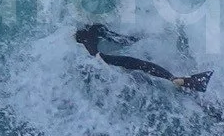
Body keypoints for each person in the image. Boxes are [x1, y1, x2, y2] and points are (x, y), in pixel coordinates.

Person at [74, 23, 210, 93]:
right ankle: (179, 80)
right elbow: (123, 40)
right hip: (110, 59)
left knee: (137, 65)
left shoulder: (87, 41)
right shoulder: (96, 28)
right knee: (140, 64)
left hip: (107, 59)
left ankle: (177, 80)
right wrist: (141, 37)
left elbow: (120, 41)